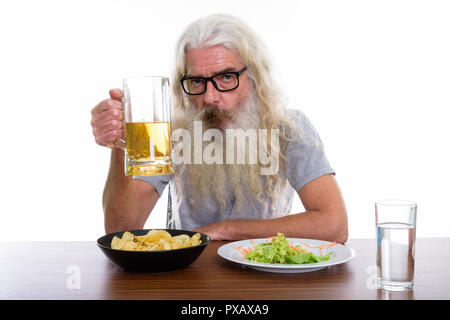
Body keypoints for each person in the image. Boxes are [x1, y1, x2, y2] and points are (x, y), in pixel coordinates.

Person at [90, 14, 348, 243]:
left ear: (254, 76)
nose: (210, 97)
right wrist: (119, 146)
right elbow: (121, 230)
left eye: (226, 77)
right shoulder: (171, 133)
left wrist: (225, 230)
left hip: (267, 274)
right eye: (197, 81)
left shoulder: (289, 128)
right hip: (190, 274)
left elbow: (334, 226)